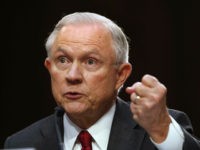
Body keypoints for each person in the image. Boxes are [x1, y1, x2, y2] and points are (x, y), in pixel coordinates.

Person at [4, 12, 200, 150]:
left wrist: (161, 130)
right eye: (62, 60)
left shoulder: (158, 131)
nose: (72, 75)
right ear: (49, 68)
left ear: (121, 75)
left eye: (90, 61)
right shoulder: (22, 143)